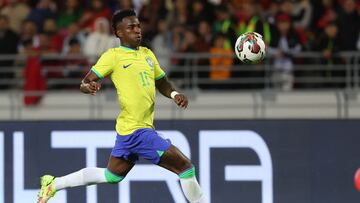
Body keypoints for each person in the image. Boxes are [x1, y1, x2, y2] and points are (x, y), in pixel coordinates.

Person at [37, 9, 207, 203]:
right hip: (137, 131)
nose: (137, 30)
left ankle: (53, 184)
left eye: (138, 26)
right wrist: (88, 86)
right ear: (119, 33)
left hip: (129, 130)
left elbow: (162, 82)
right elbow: (85, 81)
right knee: (185, 168)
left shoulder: (148, 54)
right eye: (131, 27)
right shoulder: (113, 56)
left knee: (112, 175)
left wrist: (175, 94)